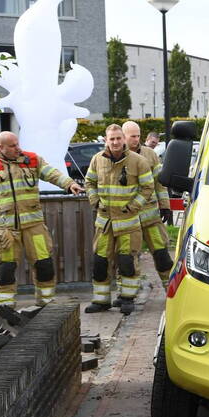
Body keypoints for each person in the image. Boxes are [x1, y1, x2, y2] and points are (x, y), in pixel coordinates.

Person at [0, 131, 85, 309]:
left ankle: (46, 305)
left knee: (45, 266)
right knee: (5, 271)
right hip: (4, 230)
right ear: (1, 147)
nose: (17, 148)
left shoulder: (32, 159)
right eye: (12, 146)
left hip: (34, 227)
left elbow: (53, 174)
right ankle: (5, 310)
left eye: (17, 144)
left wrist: (69, 184)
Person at [84, 124, 154, 315]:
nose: (115, 142)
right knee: (100, 262)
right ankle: (101, 301)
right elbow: (89, 182)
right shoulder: (97, 160)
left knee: (127, 262)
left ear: (124, 139)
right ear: (106, 140)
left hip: (128, 224)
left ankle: (128, 299)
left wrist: (134, 206)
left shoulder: (138, 161)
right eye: (111, 139)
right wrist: (95, 200)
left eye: (118, 138)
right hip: (104, 224)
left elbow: (148, 187)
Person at [123, 121, 173, 287]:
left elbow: (159, 182)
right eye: (132, 136)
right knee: (127, 258)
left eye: (138, 136)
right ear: (124, 137)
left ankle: (171, 290)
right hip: (127, 217)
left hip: (151, 217)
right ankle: (127, 295)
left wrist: (165, 204)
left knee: (162, 255)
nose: (136, 139)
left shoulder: (150, 154)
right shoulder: (117, 156)